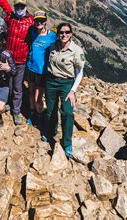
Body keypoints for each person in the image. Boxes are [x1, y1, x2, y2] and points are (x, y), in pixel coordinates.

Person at [44, 22, 85, 158]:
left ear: (71, 34)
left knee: (67, 112)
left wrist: (73, 90)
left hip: (67, 83)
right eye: (61, 32)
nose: (64, 35)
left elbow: (79, 73)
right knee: (50, 110)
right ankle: (51, 131)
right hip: (51, 81)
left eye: (67, 32)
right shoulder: (52, 47)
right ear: (58, 34)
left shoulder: (76, 50)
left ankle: (67, 143)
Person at [5, 0, 34, 125]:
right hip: (8, 58)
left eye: (22, 7)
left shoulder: (31, 21)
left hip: (21, 60)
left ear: (25, 7)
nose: (19, 9)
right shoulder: (9, 19)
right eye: (17, 6)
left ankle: (16, 111)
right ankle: (7, 104)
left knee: (17, 87)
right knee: (8, 84)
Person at [26, 11, 58, 127]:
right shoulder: (32, 32)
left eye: (41, 20)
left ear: (45, 21)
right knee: (31, 92)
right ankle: (32, 113)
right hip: (30, 68)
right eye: (36, 20)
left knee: (38, 96)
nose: (39, 22)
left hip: (42, 71)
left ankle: (39, 116)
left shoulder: (52, 36)